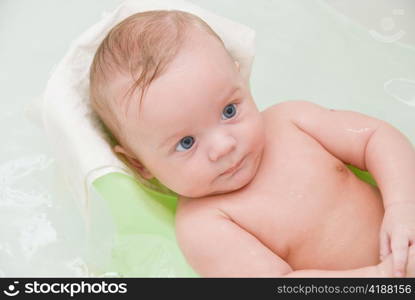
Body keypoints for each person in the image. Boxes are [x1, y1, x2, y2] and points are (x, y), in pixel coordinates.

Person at [89, 10, 415, 277]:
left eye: (229, 111)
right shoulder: (206, 225)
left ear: (240, 79)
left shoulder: (291, 121)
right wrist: (382, 277)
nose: (223, 146)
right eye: (186, 142)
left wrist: (403, 207)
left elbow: (376, 138)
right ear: (140, 165)